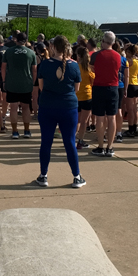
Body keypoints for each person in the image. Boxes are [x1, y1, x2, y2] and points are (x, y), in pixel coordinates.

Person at [28, 36, 85, 188]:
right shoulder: (74, 66)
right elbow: (77, 88)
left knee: (46, 142)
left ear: (53, 47)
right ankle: (76, 176)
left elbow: (41, 86)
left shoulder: (45, 64)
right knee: (69, 143)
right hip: (68, 107)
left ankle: (43, 175)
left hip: (47, 106)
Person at [89, 31, 122, 157]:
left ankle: (101, 146)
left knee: (99, 118)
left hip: (99, 87)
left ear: (103, 41)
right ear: (113, 43)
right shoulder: (118, 56)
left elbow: (91, 68)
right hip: (113, 87)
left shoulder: (96, 55)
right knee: (111, 117)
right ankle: (110, 146)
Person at [1, 32, 36, 139]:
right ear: (26, 41)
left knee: (13, 108)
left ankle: (15, 131)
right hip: (26, 83)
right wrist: (33, 82)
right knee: (26, 108)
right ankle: (26, 130)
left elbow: (3, 67)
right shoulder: (31, 53)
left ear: (16, 40)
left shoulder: (9, 52)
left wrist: (4, 81)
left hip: (12, 83)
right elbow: (34, 70)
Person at [74, 44, 95, 150]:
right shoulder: (89, 69)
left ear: (78, 56)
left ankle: (72, 138)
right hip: (87, 95)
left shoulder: (75, 67)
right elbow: (93, 82)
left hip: (76, 95)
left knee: (76, 120)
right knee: (84, 121)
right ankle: (80, 141)